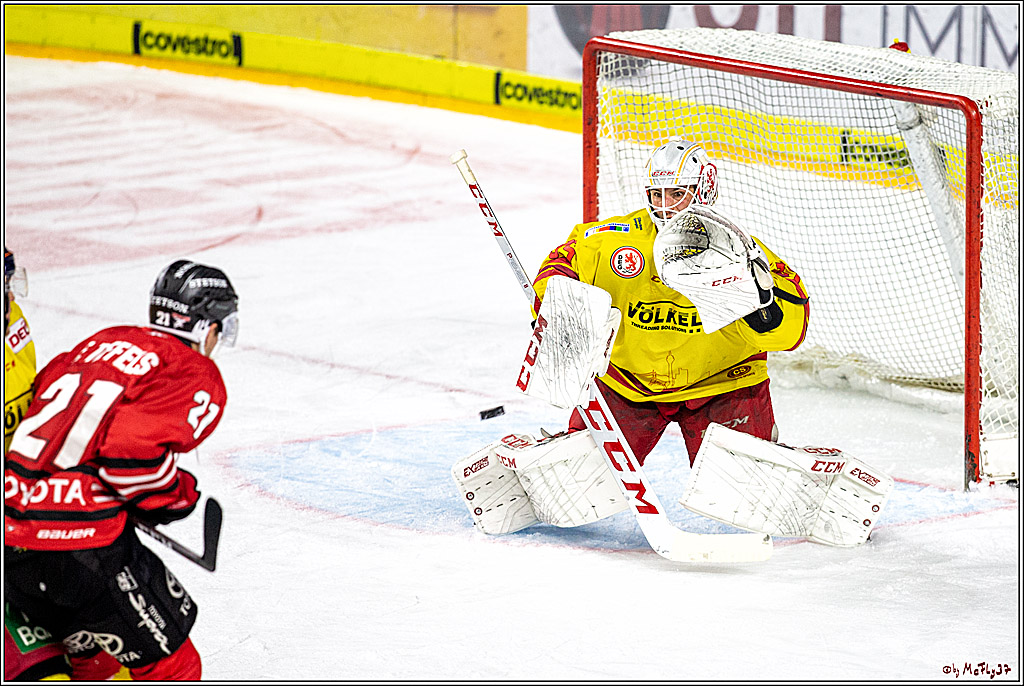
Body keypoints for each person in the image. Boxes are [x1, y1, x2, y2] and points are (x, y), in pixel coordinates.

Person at [4, 259, 239, 681]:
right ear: (206, 327)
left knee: (95, 656)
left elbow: (42, 402)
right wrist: (177, 496)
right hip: (82, 548)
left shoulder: (104, 341)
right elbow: (128, 454)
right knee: (177, 667)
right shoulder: (193, 372)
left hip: (14, 539)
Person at [533, 138, 810, 466]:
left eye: (677, 194)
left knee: (744, 488)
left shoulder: (742, 253)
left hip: (722, 383)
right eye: (657, 194)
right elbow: (565, 260)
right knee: (578, 478)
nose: (665, 206)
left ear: (704, 190)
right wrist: (554, 302)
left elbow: (792, 332)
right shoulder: (614, 242)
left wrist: (766, 307)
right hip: (627, 383)